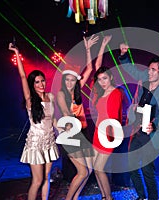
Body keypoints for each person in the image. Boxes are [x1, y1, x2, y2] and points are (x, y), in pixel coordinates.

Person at [56, 34, 112, 200]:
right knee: (82, 171)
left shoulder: (77, 90)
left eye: (73, 80)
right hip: (69, 135)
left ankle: (74, 198)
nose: (70, 83)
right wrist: (68, 120)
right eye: (67, 80)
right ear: (63, 81)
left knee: (87, 172)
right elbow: (65, 111)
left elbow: (89, 69)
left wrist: (88, 50)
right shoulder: (61, 94)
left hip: (82, 134)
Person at [119, 43, 159, 200]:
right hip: (138, 131)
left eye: (153, 70)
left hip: (151, 134)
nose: (149, 72)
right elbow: (131, 69)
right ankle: (141, 196)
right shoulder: (145, 79)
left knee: (147, 170)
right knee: (131, 166)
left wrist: (154, 125)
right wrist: (124, 55)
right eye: (149, 69)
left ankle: (152, 198)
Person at [8, 43, 60, 200]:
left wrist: (63, 132)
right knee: (37, 181)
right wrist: (17, 52)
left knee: (46, 177)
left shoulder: (50, 96)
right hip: (36, 143)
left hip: (50, 141)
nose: (41, 84)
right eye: (37, 82)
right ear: (32, 84)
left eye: (42, 81)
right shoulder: (30, 100)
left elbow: (54, 119)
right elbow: (23, 76)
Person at [92, 66, 123, 200]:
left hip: (108, 134)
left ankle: (109, 198)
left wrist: (111, 137)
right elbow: (100, 115)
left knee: (99, 168)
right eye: (99, 79)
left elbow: (114, 118)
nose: (102, 82)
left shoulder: (116, 93)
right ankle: (104, 197)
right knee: (95, 168)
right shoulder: (100, 93)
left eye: (104, 78)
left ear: (110, 77)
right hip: (97, 133)